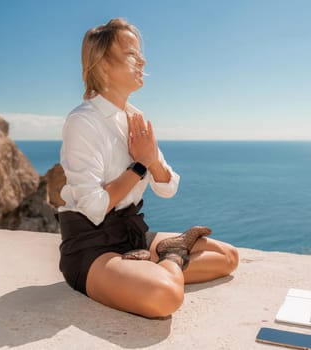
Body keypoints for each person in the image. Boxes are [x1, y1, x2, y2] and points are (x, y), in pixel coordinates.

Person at [58, 18, 239, 318]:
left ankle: (161, 259)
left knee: (227, 257)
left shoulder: (135, 117)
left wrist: (152, 160)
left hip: (132, 236)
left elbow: (168, 186)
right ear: (102, 64)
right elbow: (94, 207)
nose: (142, 60)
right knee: (164, 296)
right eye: (131, 54)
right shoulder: (82, 122)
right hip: (92, 246)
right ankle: (172, 257)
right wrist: (140, 164)